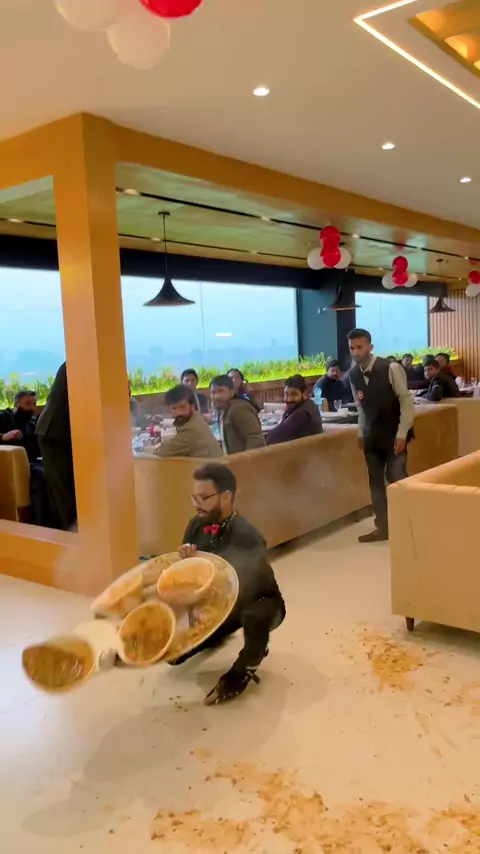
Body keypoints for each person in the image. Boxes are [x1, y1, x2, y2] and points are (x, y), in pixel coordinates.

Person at [175, 463, 286, 704]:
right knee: (174, 655)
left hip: (258, 602)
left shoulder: (249, 536)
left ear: (226, 497)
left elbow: (238, 586)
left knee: (254, 615)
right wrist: (186, 564)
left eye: (203, 498)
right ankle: (214, 635)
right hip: (222, 603)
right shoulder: (196, 524)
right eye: (194, 497)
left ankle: (250, 660)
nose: (196, 504)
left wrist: (201, 567)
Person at [348, 328, 414, 543]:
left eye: (359, 347)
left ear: (370, 347)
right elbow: (360, 408)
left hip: (394, 434)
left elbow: (406, 402)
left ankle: (408, 524)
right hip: (372, 436)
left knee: (397, 478)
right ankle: (383, 527)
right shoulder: (353, 374)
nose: (355, 352)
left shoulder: (391, 368)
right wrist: (361, 432)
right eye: (352, 348)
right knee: (375, 482)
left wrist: (402, 433)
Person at [0, 390, 51, 526]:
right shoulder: (3, 417)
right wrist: (3, 437)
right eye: (27, 404)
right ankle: (40, 524)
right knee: (39, 477)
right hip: (10, 466)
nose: (32, 408)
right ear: (16, 404)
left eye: (34, 404)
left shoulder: (32, 424)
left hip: (32, 463)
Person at [36, 362, 76, 531]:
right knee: (65, 491)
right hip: (55, 433)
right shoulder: (81, 359)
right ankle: (72, 534)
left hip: (64, 432)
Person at [154, 385, 222, 458]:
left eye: (182, 407)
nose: (179, 412)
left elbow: (163, 451)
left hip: (210, 465)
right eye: (174, 408)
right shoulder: (195, 417)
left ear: (192, 406)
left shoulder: (191, 429)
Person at [210, 375, 265, 454]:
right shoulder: (222, 410)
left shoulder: (238, 409)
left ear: (232, 392)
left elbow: (256, 439)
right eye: (213, 392)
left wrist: (243, 460)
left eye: (221, 391)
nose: (216, 396)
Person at [267, 375, 323, 445]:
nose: (289, 399)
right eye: (286, 395)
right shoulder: (310, 404)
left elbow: (274, 436)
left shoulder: (302, 413)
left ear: (304, 394)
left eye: (294, 394)